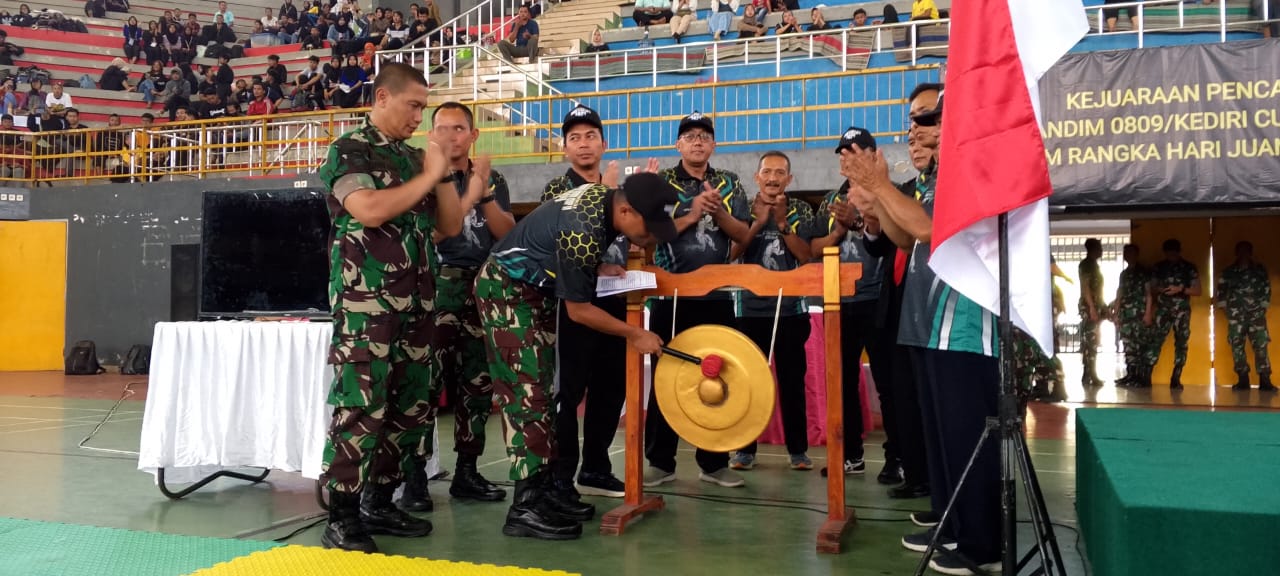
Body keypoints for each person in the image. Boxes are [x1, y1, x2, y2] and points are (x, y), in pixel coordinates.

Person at [845, 90, 1003, 574]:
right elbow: (902, 235)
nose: (917, 128)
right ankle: (953, 524)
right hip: (928, 323)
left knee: (966, 436)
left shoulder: (972, 165)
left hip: (962, 325)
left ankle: (982, 546)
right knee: (941, 437)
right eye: (914, 120)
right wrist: (876, 205)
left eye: (929, 118)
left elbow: (929, 228)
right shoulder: (935, 176)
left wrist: (882, 187)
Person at [476, 172, 677, 540]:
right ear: (627, 210)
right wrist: (636, 334)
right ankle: (524, 507)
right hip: (507, 291)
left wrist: (597, 267)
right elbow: (580, 311)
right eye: (650, 227)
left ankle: (546, 492)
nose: (651, 237)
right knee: (528, 397)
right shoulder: (583, 230)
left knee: (541, 392)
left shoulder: (602, 200)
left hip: (534, 292)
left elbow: (555, 244)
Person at [316, 62, 465, 554]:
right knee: (362, 407)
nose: (418, 118)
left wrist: (439, 174)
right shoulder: (349, 149)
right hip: (367, 306)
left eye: (424, 108)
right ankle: (341, 513)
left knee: (409, 408)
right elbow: (370, 209)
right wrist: (427, 176)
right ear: (382, 97)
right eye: (413, 106)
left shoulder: (412, 157)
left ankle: (379, 501)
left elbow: (449, 227)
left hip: (417, 305)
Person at [400, 102, 515, 513]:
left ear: (473, 135)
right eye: (442, 129)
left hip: (482, 286)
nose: (450, 136)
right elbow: (433, 232)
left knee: (477, 385)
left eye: (459, 128)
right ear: (430, 136)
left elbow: (506, 234)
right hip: (435, 285)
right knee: (425, 384)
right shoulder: (421, 177)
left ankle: (467, 471)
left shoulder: (492, 178)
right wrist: (469, 191)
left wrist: (484, 195)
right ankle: (415, 476)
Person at [644, 111, 753, 490]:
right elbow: (650, 234)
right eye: (689, 135)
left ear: (713, 144)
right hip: (671, 294)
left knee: (719, 373)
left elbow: (744, 234)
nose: (696, 141)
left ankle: (714, 462)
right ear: (678, 144)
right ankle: (660, 462)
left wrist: (718, 211)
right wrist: (692, 215)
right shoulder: (661, 183)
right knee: (666, 377)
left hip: (718, 295)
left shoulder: (729, 183)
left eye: (703, 135)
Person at [540, 105, 629, 500]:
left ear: (603, 143)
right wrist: (603, 192)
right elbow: (563, 245)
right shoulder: (557, 191)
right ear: (564, 148)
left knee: (610, 388)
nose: (583, 144)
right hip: (572, 306)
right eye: (574, 137)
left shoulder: (620, 193)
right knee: (568, 392)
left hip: (615, 302)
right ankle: (561, 476)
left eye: (590, 136)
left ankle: (595, 467)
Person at [811, 127, 894, 481]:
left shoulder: (888, 194)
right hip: (839, 304)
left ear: (873, 156)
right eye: (843, 153)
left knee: (889, 385)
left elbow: (896, 240)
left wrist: (858, 221)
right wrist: (837, 230)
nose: (847, 159)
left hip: (878, 301)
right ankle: (849, 455)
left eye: (855, 152)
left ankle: (898, 459)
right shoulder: (831, 199)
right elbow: (817, 248)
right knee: (841, 383)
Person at [728, 151, 817, 471]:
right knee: (747, 383)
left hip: (791, 310)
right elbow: (730, 254)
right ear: (757, 177)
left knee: (793, 383)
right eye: (767, 171)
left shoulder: (802, 210)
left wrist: (781, 224)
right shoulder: (741, 209)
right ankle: (744, 450)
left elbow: (807, 257)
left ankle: (798, 451)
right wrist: (755, 223)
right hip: (748, 311)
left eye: (780, 172)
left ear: (789, 179)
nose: (773, 177)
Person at [1216, 241, 1273, 390]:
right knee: (1237, 347)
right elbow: (1220, 293)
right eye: (1240, 251)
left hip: (1256, 315)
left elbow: (1266, 290)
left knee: (1261, 346)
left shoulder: (1259, 271)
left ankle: (1265, 379)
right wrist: (1228, 312)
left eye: (1246, 251)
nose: (1243, 254)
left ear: (1251, 252)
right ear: (1236, 253)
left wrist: (1261, 309)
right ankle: (1243, 379)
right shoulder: (1228, 272)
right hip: (1236, 316)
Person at [1151, 238, 1200, 389]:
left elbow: (1198, 291)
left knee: (1181, 343)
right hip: (1162, 310)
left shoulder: (1189, 268)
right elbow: (1151, 288)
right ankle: (1146, 375)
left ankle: (1176, 376)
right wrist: (1163, 289)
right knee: (1155, 341)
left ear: (1179, 252)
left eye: (1173, 254)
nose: (1171, 257)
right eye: (1168, 254)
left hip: (1182, 312)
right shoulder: (1159, 267)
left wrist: (1181, 289)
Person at [1112, 244, 1154, 388]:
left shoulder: (1144, 272)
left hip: (1139, 315)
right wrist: (1116, 314)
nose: (1127, 256)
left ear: (1136, 254)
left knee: (1140, 345)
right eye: (1125, 253)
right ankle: (1130, 375)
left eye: (1130, 253)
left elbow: (1149, 294)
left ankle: (1141, 377)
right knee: (1128, 346)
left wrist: (1148, 313)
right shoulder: (1124, 274)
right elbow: (1119, 294)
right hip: (1126, 316)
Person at [1078, 238, 1105, 387]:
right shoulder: (1086, 265)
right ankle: (1089, 374)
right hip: (1089, 308)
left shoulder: (1094, 265)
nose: (1101, 251)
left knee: (1092, 341)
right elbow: (1085, 287)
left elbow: (1097, 291)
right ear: (1093, 249)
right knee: (1090, 342)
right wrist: (1092, 308)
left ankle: (1089, 374)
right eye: (1099, 248)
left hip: (1095, 306)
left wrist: (1103, 307)